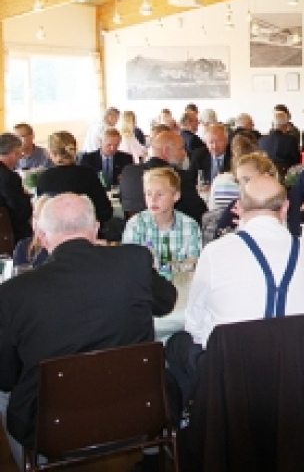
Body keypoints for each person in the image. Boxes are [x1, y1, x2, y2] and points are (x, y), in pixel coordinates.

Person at [0, 194, 176, 468]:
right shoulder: (133, 260)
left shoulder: (13, 292)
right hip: (140, 411)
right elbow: (166, 303)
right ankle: (153, 456)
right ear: (95, 229)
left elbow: (7, 376)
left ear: (42, 235)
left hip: (52, 428)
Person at [165, 174, 304, 410]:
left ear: (240, 207)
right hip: (293, 364)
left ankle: (196, 421)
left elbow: (193, 323)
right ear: (285, 208)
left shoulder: (216, 251)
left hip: (232, 370)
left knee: (176, 344)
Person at [35, 131, 115, 240]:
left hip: (55, 239)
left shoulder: (44, 178)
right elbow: (105, 211)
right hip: (88, 238)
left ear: (52, 153)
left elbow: (41, 215)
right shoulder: (88, 174)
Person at [119, 131, 208, 223]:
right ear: (166, 150)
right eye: (181, 149)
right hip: (172, 233)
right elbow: (200, 212)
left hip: (134, 231)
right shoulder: (178, 177)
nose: (184, 153)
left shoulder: (128, 172)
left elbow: (123, 203)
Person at [122, 168, 202, 267]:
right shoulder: (135, 225)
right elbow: (130, 264)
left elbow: (193, 266)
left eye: (160, 194)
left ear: (176, 196)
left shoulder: (190, 226)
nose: (153, 200)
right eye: (148, 194)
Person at [213, 151, 278, 239]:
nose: (241, 187)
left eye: (247, 180)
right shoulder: (236, 207)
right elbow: (218, 240)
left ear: (265, 178)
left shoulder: (283, 207)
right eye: (239, 182)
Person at [206, 132, 254, 211]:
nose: (214, 145)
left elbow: (212, 209)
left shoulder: (219, 180)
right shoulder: (261, 181)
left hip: (222, 221)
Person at [0, 134, 33, 242]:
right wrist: (27, 196)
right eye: (19, 155)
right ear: (14, 153)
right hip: (9, 234)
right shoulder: (9, 177)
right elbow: (21, 213)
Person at [190, 123, 232, 190]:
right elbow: (190, 180)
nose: (215, 146)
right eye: (211, 142)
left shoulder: (234, 155)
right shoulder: (198, 155)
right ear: (206, 143)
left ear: (227, 141)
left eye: (219, 141)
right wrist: (198, 186)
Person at [13, 196, 51, 269]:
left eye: (41, 217)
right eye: (35, 216)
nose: (36, 222)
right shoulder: (24, 247)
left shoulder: (64, 248)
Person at [259, 111, 301, 176]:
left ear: (273, 124)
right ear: (286, 125)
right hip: (286, 176)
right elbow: (297, 161)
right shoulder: (291, 140)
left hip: (266, 176)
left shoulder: (261, 140)